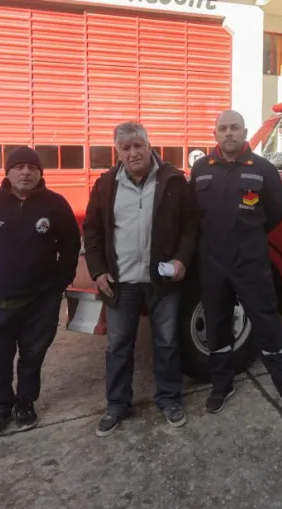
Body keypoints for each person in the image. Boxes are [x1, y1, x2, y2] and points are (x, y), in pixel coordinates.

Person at [190, 110, 282, 418]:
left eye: (234, 128)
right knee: (217, 327)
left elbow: (276, 211)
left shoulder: (263, 169)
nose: (228, 133)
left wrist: (249, 235)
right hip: (213, 264)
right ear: (215, 134)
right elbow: (194, 215)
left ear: (244, 132)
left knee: (268, 325)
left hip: (251, 262)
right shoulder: (201, 169)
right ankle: (222, 386)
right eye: (222, 128)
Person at [83, 122, 198, 436]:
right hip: (121, 282)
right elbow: (92, 232)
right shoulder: (106, 185)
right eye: (126, 148)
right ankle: (118, 404)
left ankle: (169, 398)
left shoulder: (174, 180)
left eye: (138, 146)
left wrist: (181, 259)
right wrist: (98, 271)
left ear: (149, 146)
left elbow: (191, 226)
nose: (133, 153)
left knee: (167, 341)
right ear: (118, 153)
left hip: (163, 281)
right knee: (118, 346)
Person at [0, 146, 81, 439]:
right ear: (8, 172)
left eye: (32, 167)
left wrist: (60, 283)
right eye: (19, 167)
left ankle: (25, 404)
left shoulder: (55, 205)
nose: (25, 172)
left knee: (32, 357)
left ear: (40, 173)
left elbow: (70, 245)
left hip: (40, 302)